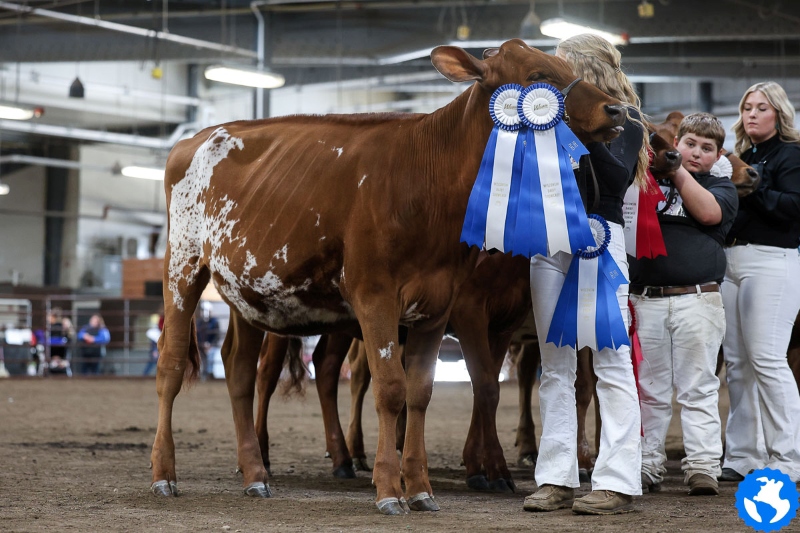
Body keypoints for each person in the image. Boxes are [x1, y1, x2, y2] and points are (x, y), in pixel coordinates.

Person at [524, 34, 649, 515]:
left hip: (600, 237)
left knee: (611, 362)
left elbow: (615, 178)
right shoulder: (542, 115)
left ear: (582, 68)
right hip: (548, 239)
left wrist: (571, 127)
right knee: (553, 364)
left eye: (562, 66)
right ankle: (555, 477)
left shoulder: (626, 119)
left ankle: (617, 480)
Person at [629, 113, 738, 496]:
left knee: (699, 388)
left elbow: (708, 213)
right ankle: (647, 464)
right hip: (647, 299)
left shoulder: (722, 187)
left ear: (718, 155)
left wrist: (676, 172)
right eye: (689, 144)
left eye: (706, 148)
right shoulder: (646, 184)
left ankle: (703, 467)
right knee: (650, 389)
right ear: (676, 143)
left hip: (698, 298)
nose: (696, 153)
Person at [719, 81, 800, 483]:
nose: (752, 114)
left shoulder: (791, 154)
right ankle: (743, 455)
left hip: (773, 260)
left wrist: (754, 187)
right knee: (736, 363)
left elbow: (794, 209)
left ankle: (789, 458)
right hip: (731, 261)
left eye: (762, 107)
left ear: (779, 114)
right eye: (747, 107)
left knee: (768, 359)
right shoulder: (743, 155)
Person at [46, 307, 74, 376]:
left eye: (49, 316)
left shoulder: (57, 327)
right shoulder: (51, 327)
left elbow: (65, 343)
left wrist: (57, 357)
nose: (47, 318)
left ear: (53, 317)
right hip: (55, 357)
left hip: (60, 356)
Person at [196, 302, 220, 379]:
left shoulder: (215, 322)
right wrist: (201, 344)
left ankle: (209, 373)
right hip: (201, 345)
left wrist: (210, 345)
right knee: (200, 357)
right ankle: (203, 373)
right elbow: (197, 335)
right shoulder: (198, 322)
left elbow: (216, 335)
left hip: (211, 345)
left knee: (211, 355)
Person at [143, 311, 164, 377]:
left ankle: (145, 374)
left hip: (157, 338)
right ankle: (145, 374)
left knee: (156, 359)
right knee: (154, 359)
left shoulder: (160, 317)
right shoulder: (160, 317)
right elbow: (160, 326)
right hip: (156, 338)